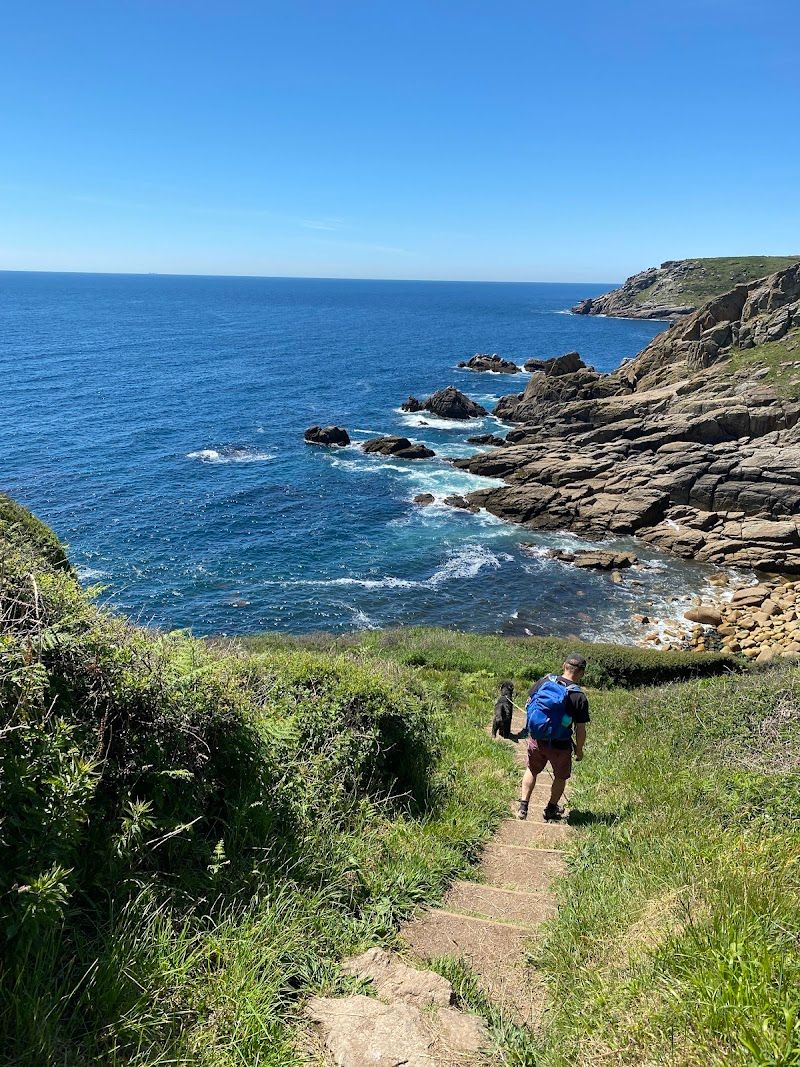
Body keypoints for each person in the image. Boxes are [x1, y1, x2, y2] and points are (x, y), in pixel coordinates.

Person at [517, 653, 589, 821]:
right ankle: (550, 809)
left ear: (564, 666)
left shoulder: (545, 682)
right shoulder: (579, 696)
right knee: (560, 776)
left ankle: (523, 807)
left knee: (532, 770)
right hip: (561, 744)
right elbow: (580, 729)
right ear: (582, 673)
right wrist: (579, 749)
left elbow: (530, 704)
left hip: (537, 738)